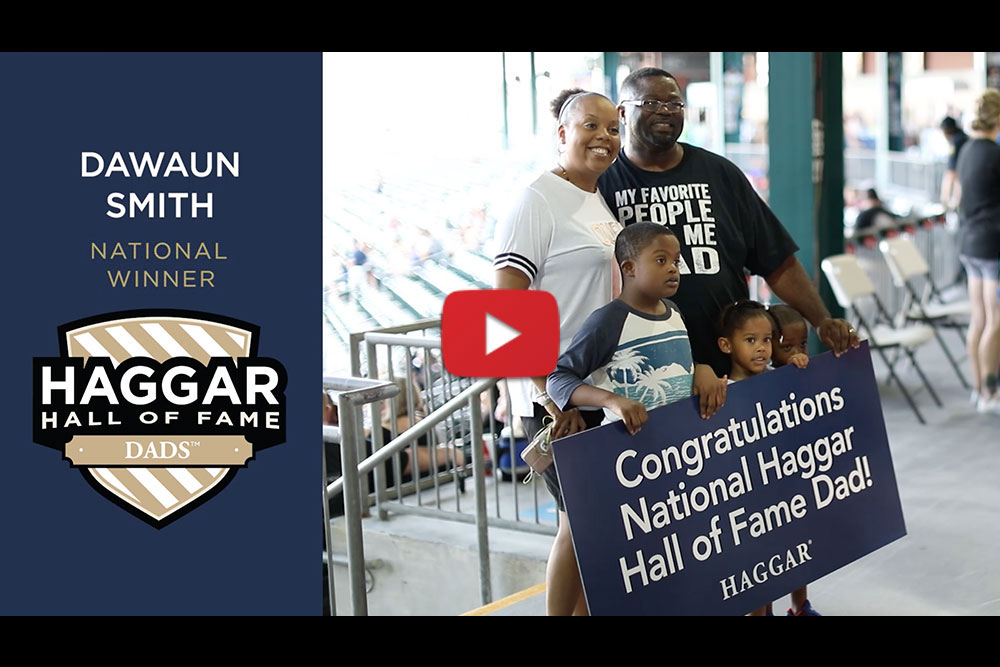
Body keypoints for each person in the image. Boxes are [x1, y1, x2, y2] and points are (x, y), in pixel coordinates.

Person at [597, 67, 859, 383]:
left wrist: (822, 320)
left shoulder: (720, 174)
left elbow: (777, 260)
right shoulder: (602, 185)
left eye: (674, 104)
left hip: (730, 368)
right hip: (647, 372)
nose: (665, 111)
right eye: (651, 103)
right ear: (623, 113)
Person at [547, 223, 728, 439]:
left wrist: (701, 369)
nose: (673, 268)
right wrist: (612, 401)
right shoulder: (608, 321)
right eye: (661, 260)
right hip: (629, 448)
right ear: (629, 268)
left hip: (678, 444)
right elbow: (557, 381)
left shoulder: (674, 311)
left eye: (676, 261)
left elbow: (675, 363)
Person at [759, 303, 820, 617]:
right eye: (787, 346)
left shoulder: (802, 375)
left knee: (799, 545)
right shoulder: (760, 380)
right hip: (764, 483)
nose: (797, 353)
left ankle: (800, 606)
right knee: (768, 552)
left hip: (794, 475)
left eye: (803, 344)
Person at [954, 90, 1000, 414]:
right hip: (993, 246)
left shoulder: (966, 150)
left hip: (970, 244)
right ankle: (991, 393)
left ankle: (978, 388)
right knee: (995, 322)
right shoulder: (995, 154)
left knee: (979, 319)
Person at [940, 116, 969, 210]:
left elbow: (951, 172)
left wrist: (944, 199)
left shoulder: (956, 142)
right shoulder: (965, 137)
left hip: (962, 184)